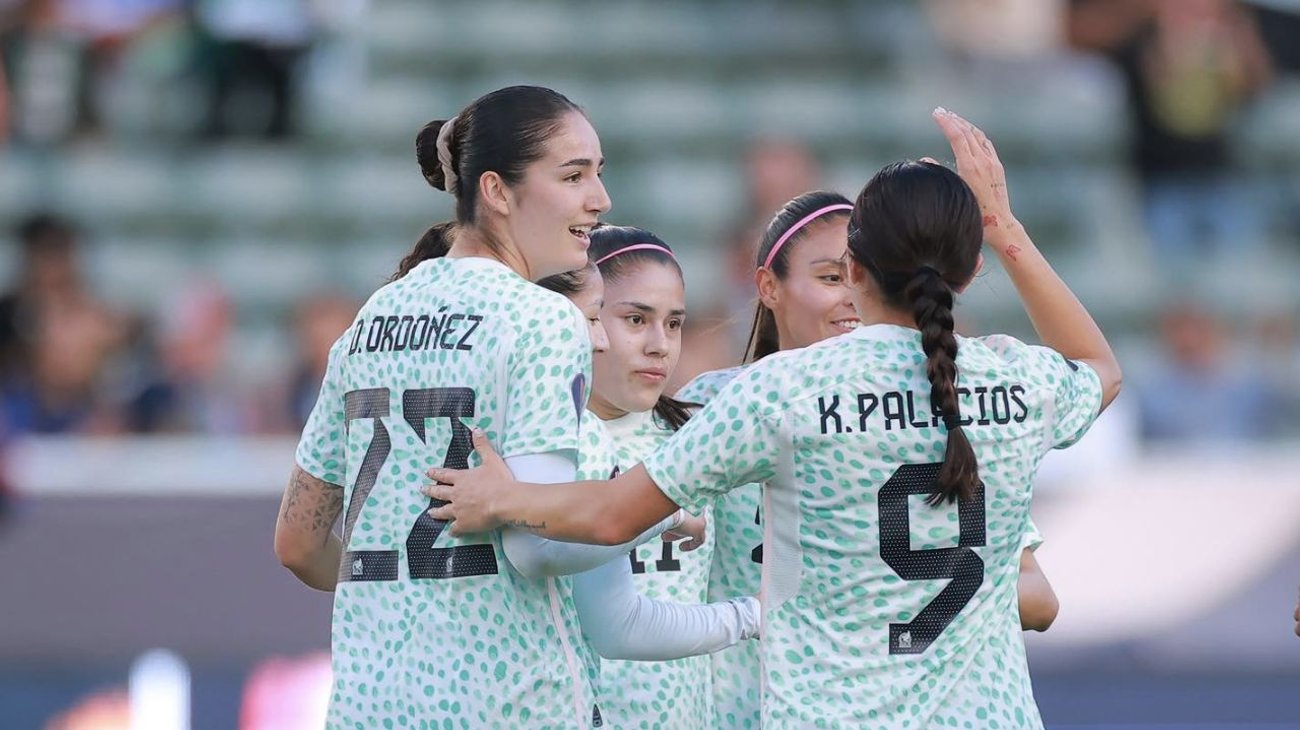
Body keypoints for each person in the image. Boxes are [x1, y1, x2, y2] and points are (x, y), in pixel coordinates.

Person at [422, 109, 1123, 727]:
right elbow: (1102, 370)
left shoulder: (774, 393)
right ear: (969, 269)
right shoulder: (1016, 381)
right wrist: (1007, 231)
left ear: (854, 268)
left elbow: (610, 517)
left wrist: (505, 495)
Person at [274, 85, 698, 729]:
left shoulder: (370, 319)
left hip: (368, 704)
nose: (600, 199)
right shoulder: (541, 319)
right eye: (573, 175)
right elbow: (542, 547)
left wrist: (405, 593)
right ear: (497, 192)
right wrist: (658, 514)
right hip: (507, 705)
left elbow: (298, 543)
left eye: (598, 175)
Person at [677, 189, 1061, 728]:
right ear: (768, 286)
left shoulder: (936, 397)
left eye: (856, 275)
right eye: (831, 278)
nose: (852, 294)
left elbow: (1038, 596)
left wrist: (886, 589)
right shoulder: (710, 406)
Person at [577, 225, 717, 728]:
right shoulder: (539, 440)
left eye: (674, 323)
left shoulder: (704, 436)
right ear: (584, 317)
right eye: (636, 319)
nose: (660, 345)